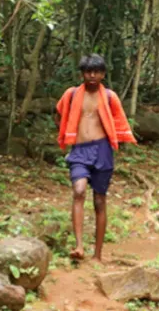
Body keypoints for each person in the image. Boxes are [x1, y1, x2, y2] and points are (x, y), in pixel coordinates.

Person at [55, 54, 136, 262]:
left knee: (100, 201)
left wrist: (118, 140)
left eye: (96, 71)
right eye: (88, 71)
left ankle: (97, 255)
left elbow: (119, 121)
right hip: (79, 151)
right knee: (79, 190)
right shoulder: (71, 94)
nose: (92, 75)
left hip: (102, 151)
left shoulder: (110, 96)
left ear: (103, 74)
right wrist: (67, 132)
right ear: (82, 73)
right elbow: (59, 114)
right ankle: (79, 246)